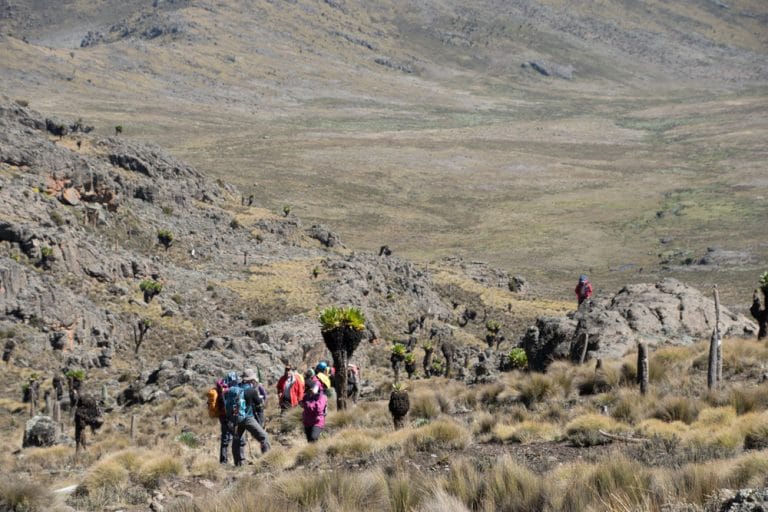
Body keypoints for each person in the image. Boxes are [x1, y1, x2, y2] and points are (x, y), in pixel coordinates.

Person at [227, 369, 270, 465]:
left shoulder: (236, 387)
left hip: (236, 418)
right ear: (251, 380)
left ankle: (239, 463)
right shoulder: (252, 391)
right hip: (248, 418)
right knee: (264, 437)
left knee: (237, 440)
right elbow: (259, 403)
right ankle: (268, 461)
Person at [213, 372, 244, 465]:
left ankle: (223, 461)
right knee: (236, 437)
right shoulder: (227, 391)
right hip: (229, 417)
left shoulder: (220, 389)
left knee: (225, 439)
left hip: (222, 417)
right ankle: (239, 461)